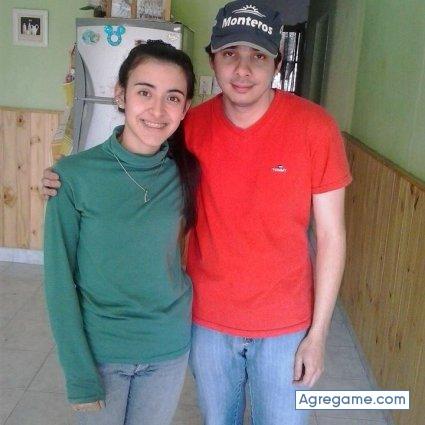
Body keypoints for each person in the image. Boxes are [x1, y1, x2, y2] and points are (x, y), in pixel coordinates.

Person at [43, 1, 352, 423]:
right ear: (213, 60)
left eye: (258, 56)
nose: (242, 69)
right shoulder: (189, 127)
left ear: (277, 63)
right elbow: (131, 159)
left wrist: (319, 334)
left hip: (286, 322)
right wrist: (63, 179)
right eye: (230, 54)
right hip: (207, 321)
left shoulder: (316, 127)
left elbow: (332, 236)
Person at [43, 40, 199, 425]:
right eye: (144, 92)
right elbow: (59, 283)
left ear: (185, 109)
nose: (157, 110)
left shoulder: (188, 172)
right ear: (120, 94)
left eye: (173, 97)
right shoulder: (73, 177)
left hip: (167, 349)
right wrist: (79, 373)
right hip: (102, 352)